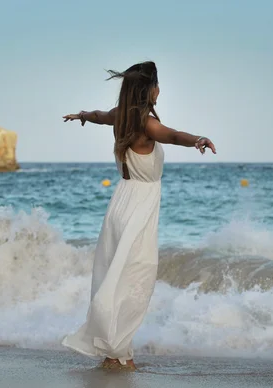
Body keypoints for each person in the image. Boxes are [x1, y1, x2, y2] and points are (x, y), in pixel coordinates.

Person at [60, 61, 216, 370]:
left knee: (117, 276)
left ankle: (116, 353)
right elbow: (171, 135)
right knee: (136, 278)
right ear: (148, 91)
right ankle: (120, 355)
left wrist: (82, 116)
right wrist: (197, 138)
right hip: (138, 208)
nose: (160, 90)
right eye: (157, 85)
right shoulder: (146, 123)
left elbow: (99, 116)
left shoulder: (121, 118)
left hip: (121, 203)